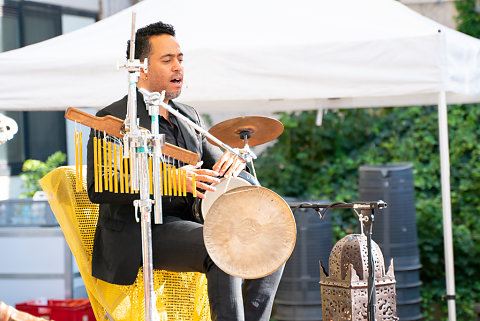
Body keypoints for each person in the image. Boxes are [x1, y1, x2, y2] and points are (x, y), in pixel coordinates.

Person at [86, 21, 283, 321]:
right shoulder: (113, 117)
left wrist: (234, 163)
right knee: (222, 245)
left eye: (180, 59)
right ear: (141, 68)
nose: (178, 67)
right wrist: (173, 181)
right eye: (167, 60)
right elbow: (100, 186)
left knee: (271, 237)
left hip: (187, 224)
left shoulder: (187, 115)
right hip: (138, 232)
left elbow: (216, 169)